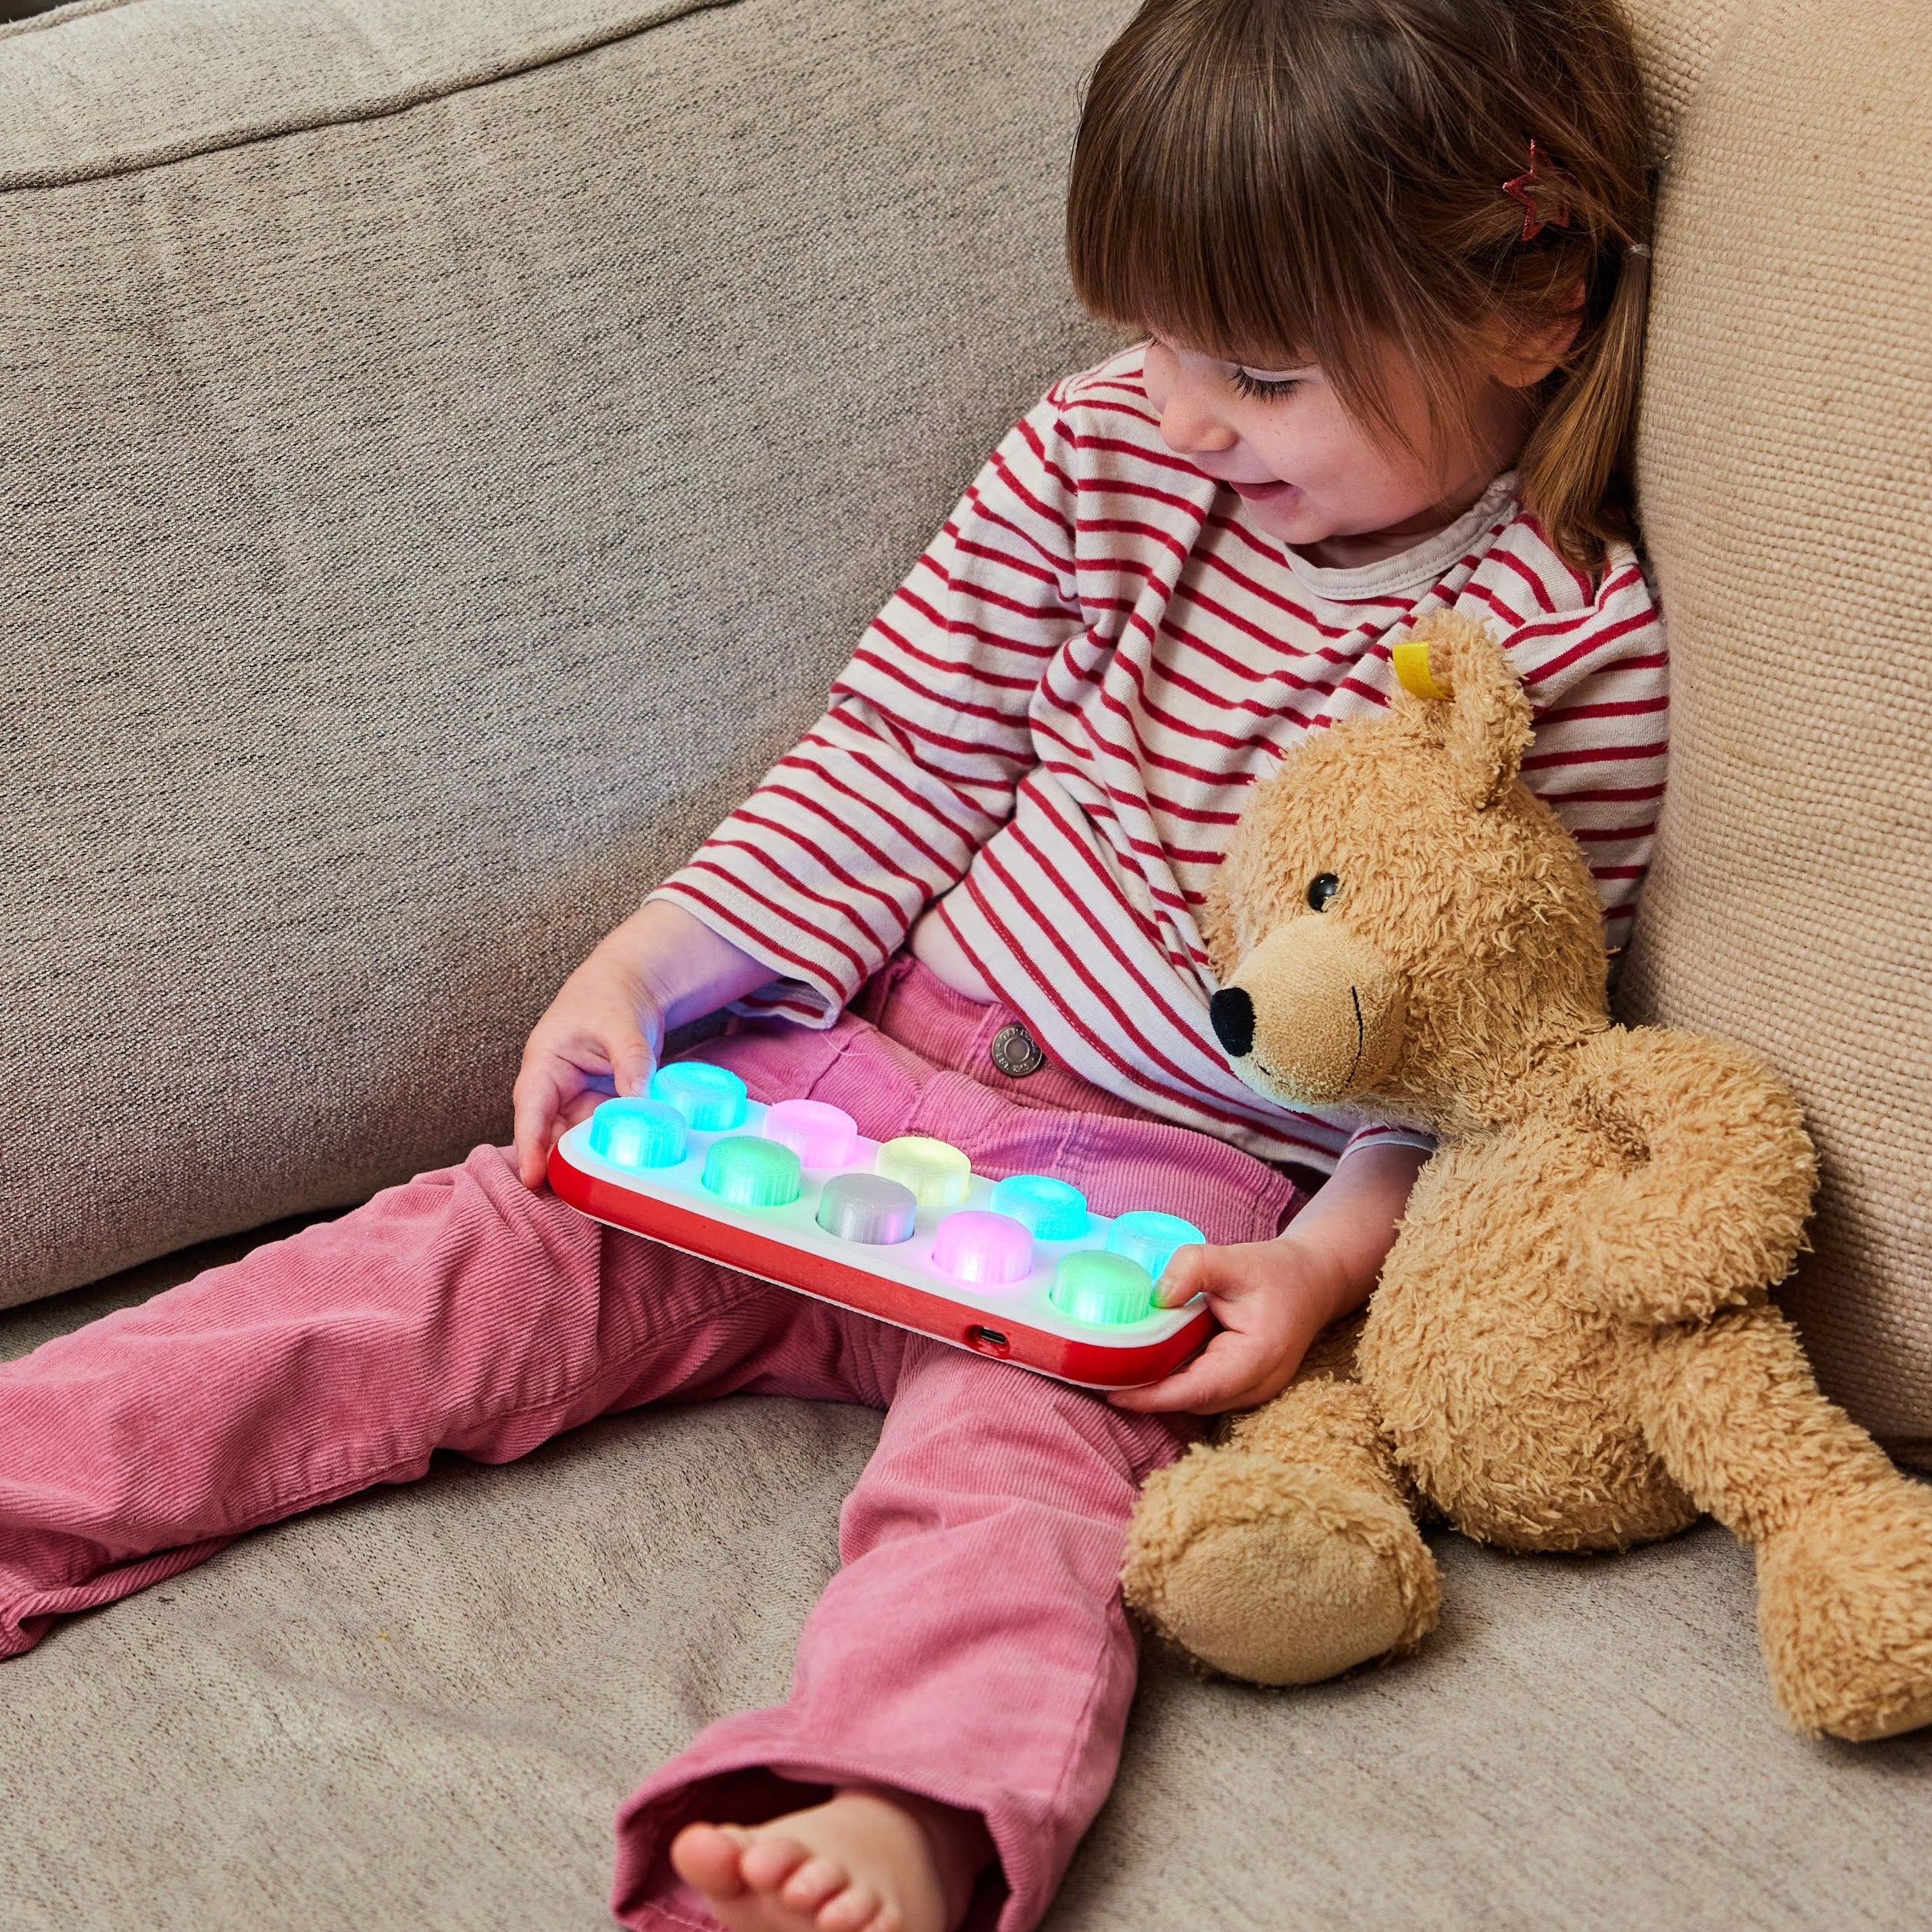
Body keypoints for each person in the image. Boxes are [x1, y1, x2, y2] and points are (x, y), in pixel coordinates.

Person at [0, 1, 1667, 1927]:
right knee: (423, 1271)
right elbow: (895, 753)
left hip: (1158, 1202)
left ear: (1529, 308)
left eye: (1260, 370)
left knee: (1014, 1517)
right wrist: (657, 957)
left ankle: (887, 1815)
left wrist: (1314, 1266)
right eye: (1151, 335)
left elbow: (1483, 1055)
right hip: (833, 1075)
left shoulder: (1560, 650)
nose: (1181, 413)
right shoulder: (1091, 455)